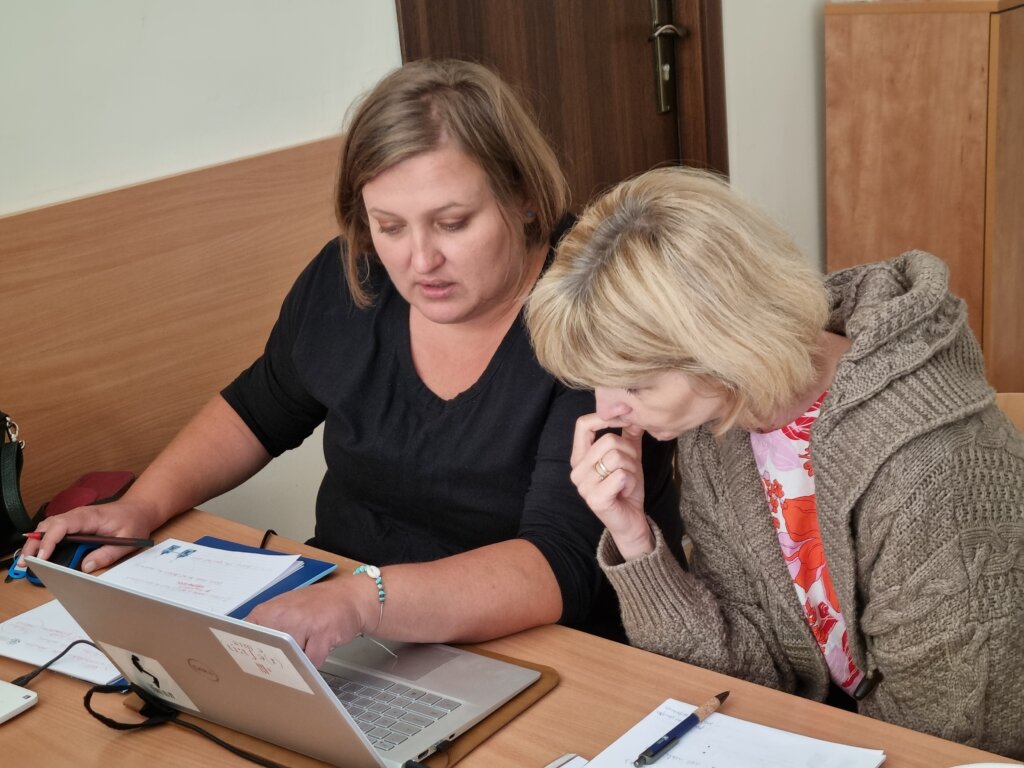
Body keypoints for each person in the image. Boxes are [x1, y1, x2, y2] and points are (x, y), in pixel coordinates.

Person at [21, 59, 683, 664]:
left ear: (524, 197)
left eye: (451, 223)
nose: (419, 261)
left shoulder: (592, 307)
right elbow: (259, 407)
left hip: (531, 648)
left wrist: (364, 601)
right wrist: (140, 506)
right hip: (345, 617)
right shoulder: (354, 277)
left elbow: (560, 564)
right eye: (390, 226)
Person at [524, 166, 1024, 758]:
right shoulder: (722, 423)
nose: (611, 414)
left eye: (634, 386)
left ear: (722, 343)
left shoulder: (935, 468)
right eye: (598, 386)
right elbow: (746, 672)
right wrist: (634, 538)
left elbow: (958, 740)